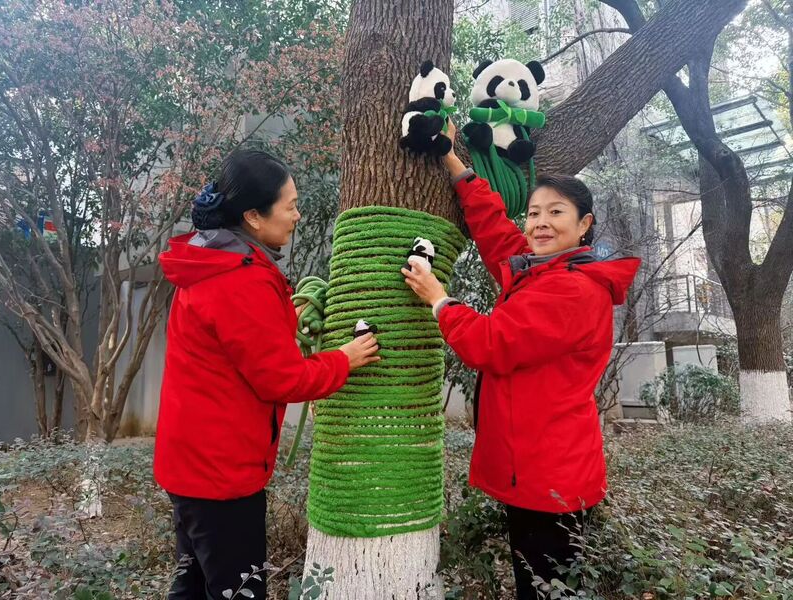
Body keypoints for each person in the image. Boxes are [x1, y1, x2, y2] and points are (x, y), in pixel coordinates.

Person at [402, 121, 640, 599]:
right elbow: (497, 235)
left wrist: (438, 298)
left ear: (585, 224)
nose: (540, 223)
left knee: (547, 588)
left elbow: (489, 344)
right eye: (533, 214)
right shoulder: (543, 271)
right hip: (541, 465)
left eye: (556, 212)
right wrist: (454, 163)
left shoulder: (572, 289)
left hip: (550, 476)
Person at [154, 148, 380, 600]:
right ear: (253, 217)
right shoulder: (241, 280)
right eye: (290, 206)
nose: (297, 215)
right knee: (237, 591)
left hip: (193, 466)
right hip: (221, 476)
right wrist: (345, 358)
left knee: (193, 587)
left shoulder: (212, 261)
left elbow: (247, 346)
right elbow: (283, 379)